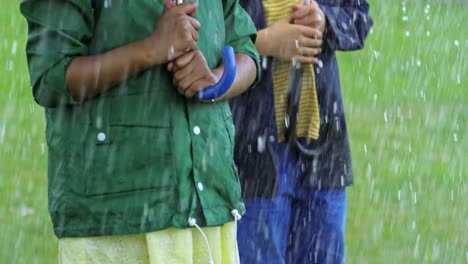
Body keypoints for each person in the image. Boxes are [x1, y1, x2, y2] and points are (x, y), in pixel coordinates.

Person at [20, 0, 260, 263]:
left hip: (210, 203)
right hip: (116, 221)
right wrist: (152, 49)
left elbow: (245, 49)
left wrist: (216, 81)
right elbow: (51, 77)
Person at [230, 0, 373, 263]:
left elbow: (359, 17)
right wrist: (263, 42)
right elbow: (201, 41)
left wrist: (324, 20)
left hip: (323, 155)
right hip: (252, 159)